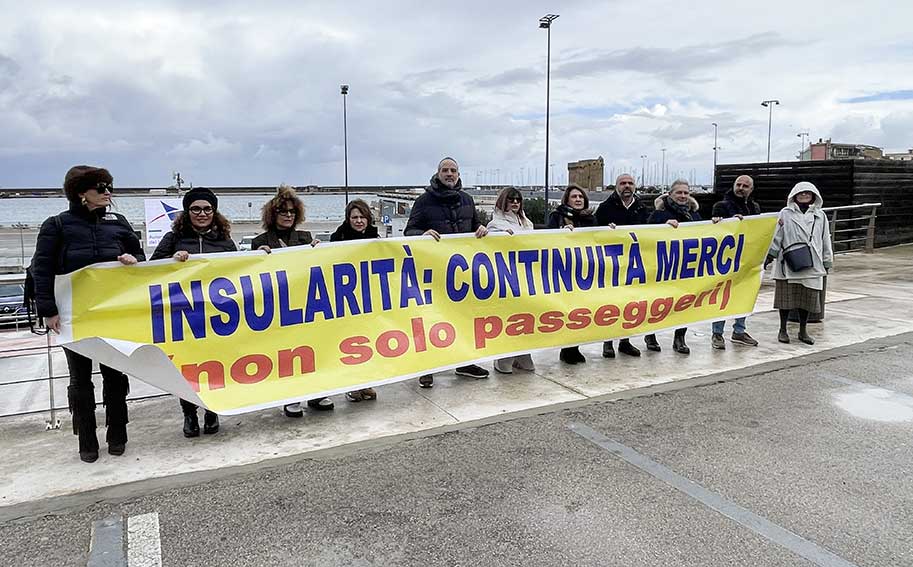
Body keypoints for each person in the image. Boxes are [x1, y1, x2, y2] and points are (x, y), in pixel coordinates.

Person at [31, 165, 145, 462]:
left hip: (113, 315)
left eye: (109, 186)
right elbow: (41, 269)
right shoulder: (56, 225)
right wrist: (48, 310)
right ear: (82, 194)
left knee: (115, 375)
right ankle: (87, 439)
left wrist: (131, 259)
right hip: (74, 315)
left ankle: (117, 433)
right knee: (80, 380)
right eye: (101, 188)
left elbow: (142, 261)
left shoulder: (118, 222)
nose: (108, 193)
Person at [150, 187, 237, 438]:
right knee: (186, 368)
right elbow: (151, 271)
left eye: (207, 209)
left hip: (218, 317)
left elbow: (240, 270)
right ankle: (189, 414)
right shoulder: (172, 238)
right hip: (184, 316)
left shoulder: (224, 241)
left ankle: (212, 410)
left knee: (214, 365)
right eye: (196, 209)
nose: (202, 213)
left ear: (214, 211)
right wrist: (171, 260)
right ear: (187, 212)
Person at [404, 157, 489, 387]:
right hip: (432, 274)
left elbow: (474, 227)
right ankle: (427, 367)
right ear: (438, 173)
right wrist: (421, 235)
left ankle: (464, 363)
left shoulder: (467, 200)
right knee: (430, 319)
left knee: (463, 318)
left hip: (462, 274)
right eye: (445, 170)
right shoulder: (423, 201)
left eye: (453, 170)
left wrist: (481, 229)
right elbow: (409, 230)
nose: (449, 174)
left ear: (458, 174)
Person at [251, 184, 335, 417]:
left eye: (291, 212)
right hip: (279, 306)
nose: (288, 215)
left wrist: (319, 251)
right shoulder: (259, 241)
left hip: (306, 303)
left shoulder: (306, 238)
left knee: (313, 349)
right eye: (283, 211)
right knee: (287, 352)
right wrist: (258, 257)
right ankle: (290, 396)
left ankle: (316, 393)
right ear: (273, 214)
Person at [766, 181, 833, 345]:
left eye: (807, 193)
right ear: (794, 195)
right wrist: (770, 256)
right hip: (788, 261)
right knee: (786, 299)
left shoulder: (820, 215)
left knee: (807, 299)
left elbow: (825, 238)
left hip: (812, 261)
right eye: (801, 193)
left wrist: (827, 260)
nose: (804, 195)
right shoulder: (785, 213)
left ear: (813, 196)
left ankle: (803, 331)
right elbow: (777, 235)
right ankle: (782, 329)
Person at [329, 199, 381, 402]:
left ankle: (366, 383)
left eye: (362, 217)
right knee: (350, 345)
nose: (359, 221)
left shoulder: (375, 238)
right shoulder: (338, 238)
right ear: (348, 219)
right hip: (347, 299)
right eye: (354, 217)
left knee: (368, 343)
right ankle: (352, 385)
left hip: (368, 298)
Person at [594, 173, 649, 359]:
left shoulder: (642, 208)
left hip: (635, 265)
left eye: (630, 183)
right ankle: (608, 342)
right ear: (616, 186)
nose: (627, 186)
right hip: (612, 266)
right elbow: (593, 233)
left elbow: (654, 232)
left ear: (635, 186)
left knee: (630, 303)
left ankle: (625, 341)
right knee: (611, 304)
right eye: (623, 183)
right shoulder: (605, 208)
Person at [645, 180, 701, 355]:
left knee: (684, 303)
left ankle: (680, 338)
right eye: (679, 193)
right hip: (662, 268)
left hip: (685, 268)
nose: (683, 196)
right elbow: (646, 236)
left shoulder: (695, 216)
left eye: (686, 193)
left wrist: (720, 223)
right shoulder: (658, 214)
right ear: (670, 194)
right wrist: (664, 227)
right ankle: (650, 335)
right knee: (655, 302)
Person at [486, 187, 536, 374]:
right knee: (509, 318)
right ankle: (503, 356)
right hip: (506, 279)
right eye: (511, 199)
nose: (515, 202)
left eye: (518, 199)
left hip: (527, 277)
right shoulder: (495, 224)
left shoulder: (527, 223)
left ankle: (523, 354)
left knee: (526, 317)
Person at [709, 175, 762, 350]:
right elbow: (714, 232)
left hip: (746, 261)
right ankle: (717, 333)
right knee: (722, 297)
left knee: (744, 296)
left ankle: (739, 331)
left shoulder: (754, 208)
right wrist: (728, 221)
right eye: (738, 184)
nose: (741, 187)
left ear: (751, 189)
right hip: (725, 263)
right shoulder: (721, 206)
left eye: (745, 185)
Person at [547, 184, 596, 364]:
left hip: (585, 271)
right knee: (566, 310)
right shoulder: (557, 217)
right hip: (564, 272)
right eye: (574, 197)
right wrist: (560, 234)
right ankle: (566, 349)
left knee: (581, 311)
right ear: (567, 199)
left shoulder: (591, 219)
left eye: (580, 197)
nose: (577, 200)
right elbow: (545, 238)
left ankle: (575, 347)